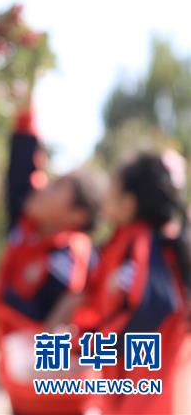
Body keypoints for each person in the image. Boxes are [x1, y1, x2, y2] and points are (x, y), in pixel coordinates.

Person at [0, 104, 103, 414]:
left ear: (77, 215)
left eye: (60, 185)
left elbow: (48, 319)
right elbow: (20, 174)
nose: (47, 184)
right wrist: (25, 113)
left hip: (60, 401)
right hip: (24, 393)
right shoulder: (28, 230)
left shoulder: (73, 252)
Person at [70, 152, 191, 414]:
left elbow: (146, 317)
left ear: (128, 203)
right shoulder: (137, 244)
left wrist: (80, 347)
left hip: (150, 396)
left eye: (113, 188)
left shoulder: (142, 246)